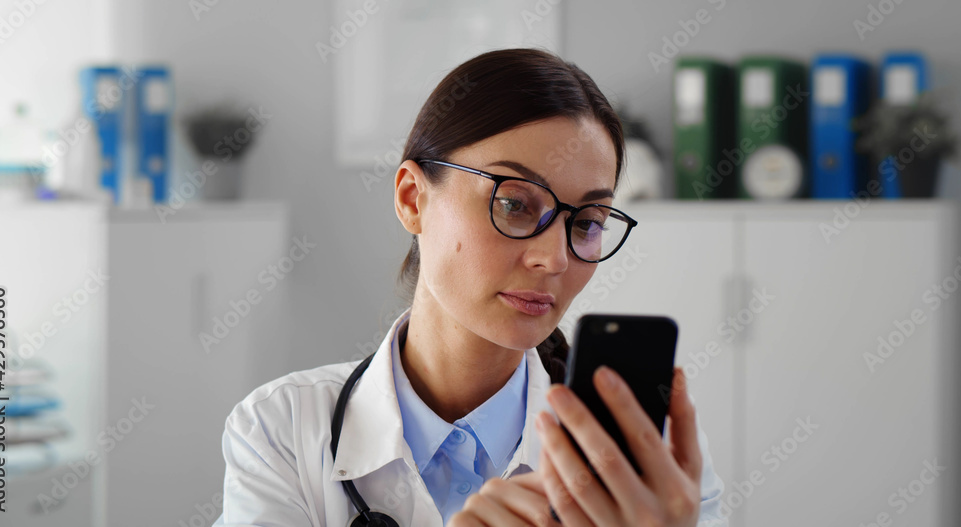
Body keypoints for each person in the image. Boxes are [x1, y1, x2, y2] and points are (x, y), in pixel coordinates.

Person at [212, 47, 728, 527]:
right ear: (414, 199)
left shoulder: (648, 464)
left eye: (587, 222)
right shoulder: (282, 429)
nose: (552, 258)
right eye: (514, 203)